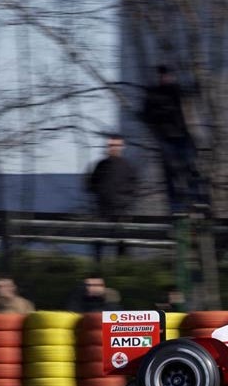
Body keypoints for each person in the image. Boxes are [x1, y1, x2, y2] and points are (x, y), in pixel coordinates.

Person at [140, 64, 208, 214]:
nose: (166, 79)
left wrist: (197, 83)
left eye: (168, 76)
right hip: (166, 138)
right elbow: (145, 115)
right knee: (171, 170)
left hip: (181, 135)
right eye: (164, 76)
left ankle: (197, 197)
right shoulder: (153, 94)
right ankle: (175, 204)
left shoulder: (175, 90)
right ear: (160, 77)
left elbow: (189, 92)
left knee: (190, 166)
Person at [87, 134, 138, 260]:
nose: (114, 148)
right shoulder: (101, 165)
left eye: (116, 145)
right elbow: (91, 185)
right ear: (107, 147)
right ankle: (97, 274)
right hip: (103, 212)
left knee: (122, 246)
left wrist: (124, 202)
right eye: (111, 145)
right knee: (98, 245)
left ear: (122, 147)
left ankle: (120, 271)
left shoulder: (128, 167)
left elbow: (134, 189)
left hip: (121, 213)